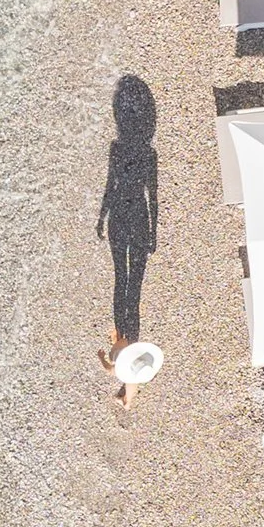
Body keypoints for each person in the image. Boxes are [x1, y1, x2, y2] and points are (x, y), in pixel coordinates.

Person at [96, 75, 159, 405]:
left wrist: (102, 216)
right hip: (136, 218)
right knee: (131, 285)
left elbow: (111, 187)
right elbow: (153, 197)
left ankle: (123, 341)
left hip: (122, 215)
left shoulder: (119, 150)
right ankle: (122, 343)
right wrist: (154, 231)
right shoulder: (148, 154)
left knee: (123, 281)